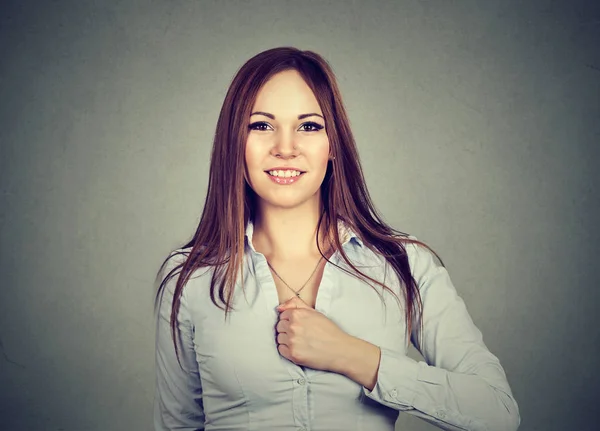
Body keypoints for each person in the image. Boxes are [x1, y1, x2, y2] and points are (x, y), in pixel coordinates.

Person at [153, 47, 520, 431]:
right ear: (234, 143)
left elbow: (497, 414)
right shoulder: (188, 278)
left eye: (309, 126)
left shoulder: (404, 264)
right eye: (261, 125)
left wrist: (354, 356)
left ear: (333, 145)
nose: (285, 148)